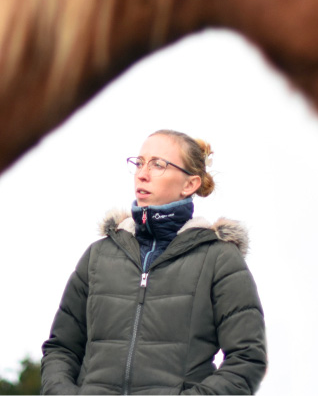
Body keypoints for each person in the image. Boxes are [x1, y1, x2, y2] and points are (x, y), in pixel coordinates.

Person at [41, 129, 267, 395]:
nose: (142, 173)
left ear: (190, 184)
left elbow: (247, 358)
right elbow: (61, 349)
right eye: (139, 162)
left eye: (158, 164)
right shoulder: (98, 256)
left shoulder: (219, 260)